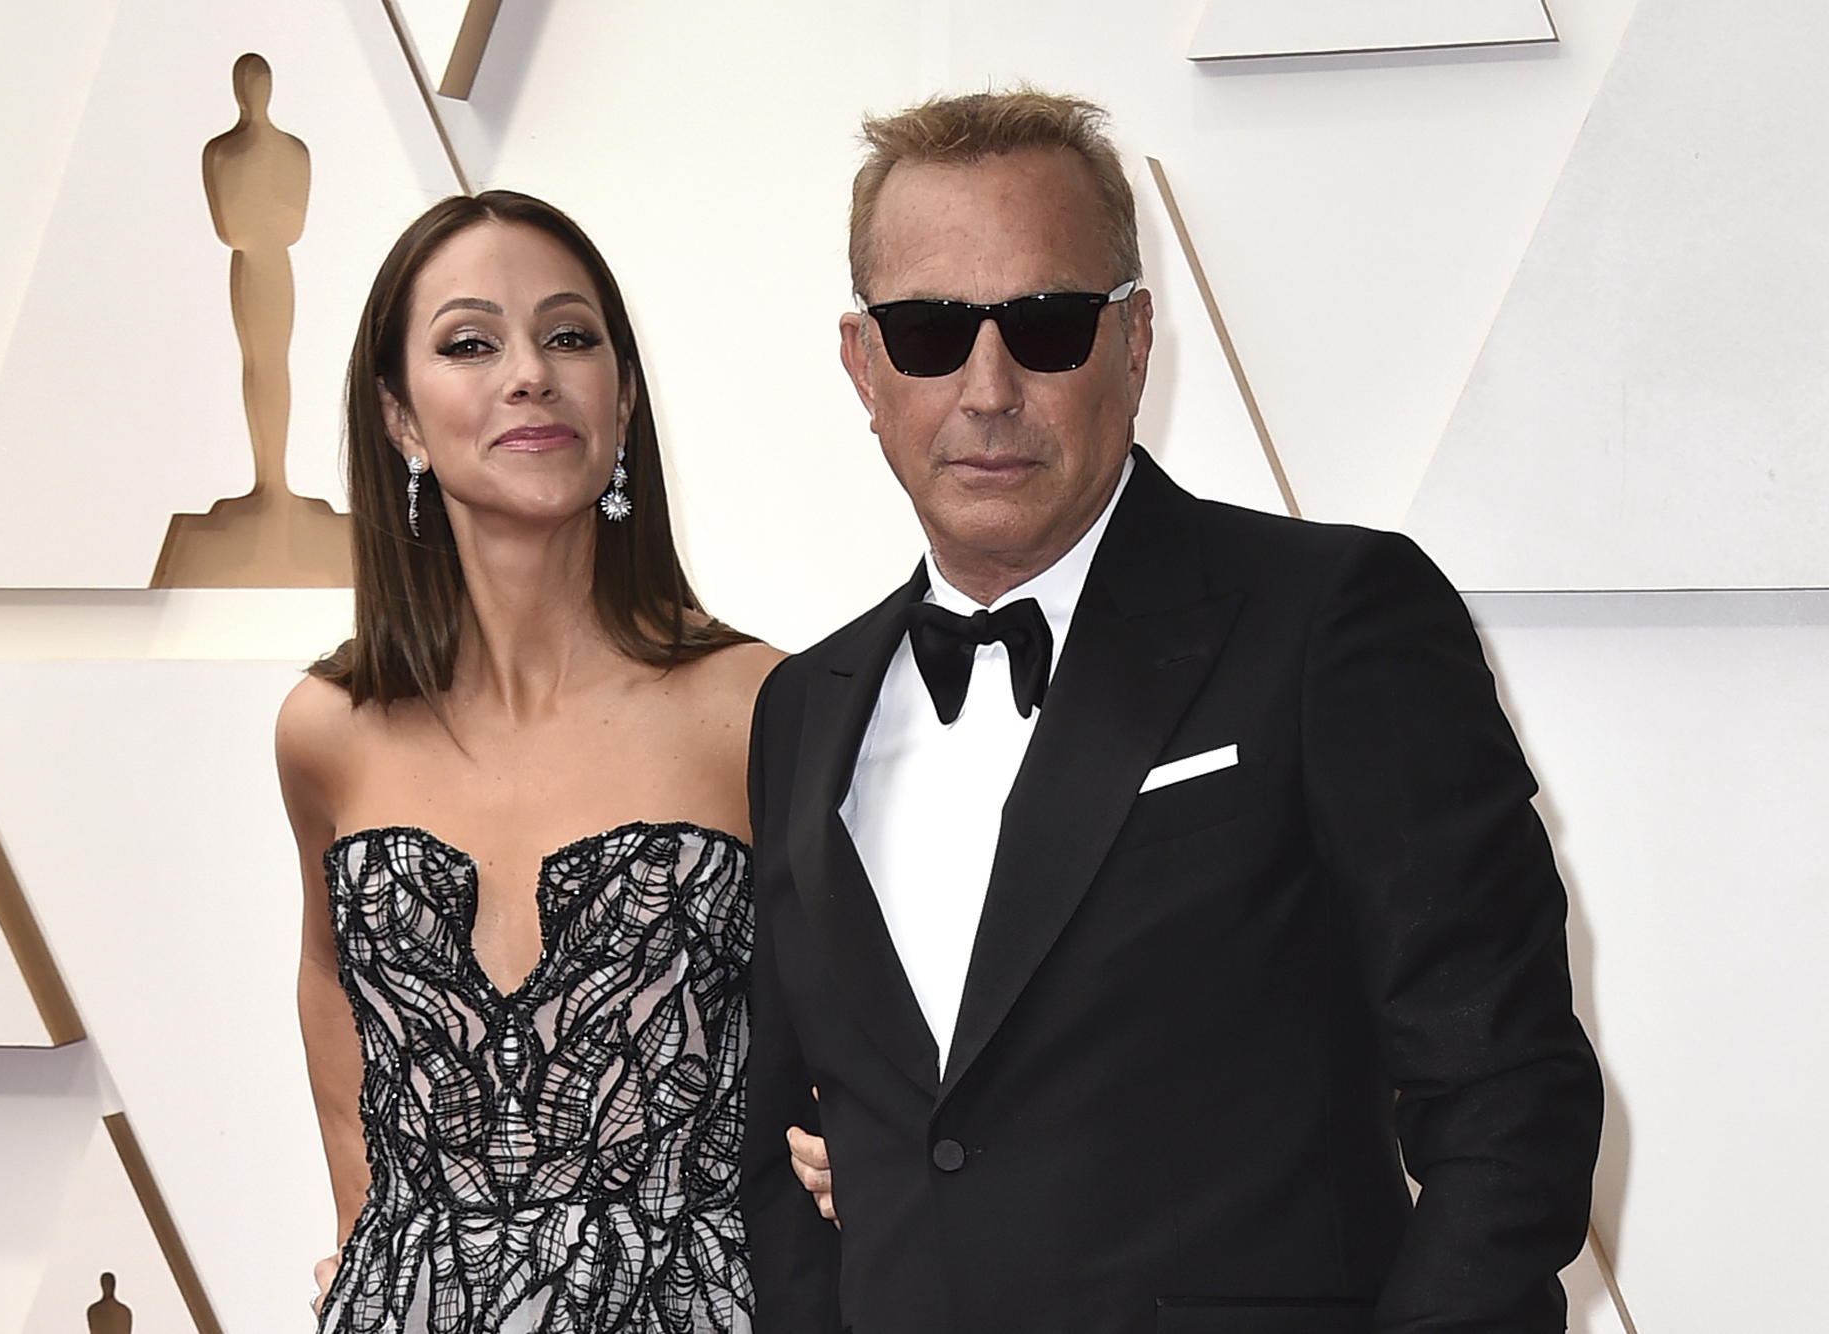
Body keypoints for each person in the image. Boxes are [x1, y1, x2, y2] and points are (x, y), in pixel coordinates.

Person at [744, 90, 1603, 1334]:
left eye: (1043, 326)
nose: (988, 386)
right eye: (930, 331)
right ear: (862, 365)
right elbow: (795, 1150)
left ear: (1132, 344)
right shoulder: (797, 710)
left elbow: (1506, 1099)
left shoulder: (1331, 621)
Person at [277, 190, 778, 1333]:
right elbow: (328, 980)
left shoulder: (756, 704)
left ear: (624, 395)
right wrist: (369, 1237)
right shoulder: (325, 729)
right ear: (400, 418)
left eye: (568, 336)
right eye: (469, 343)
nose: (529, 375)